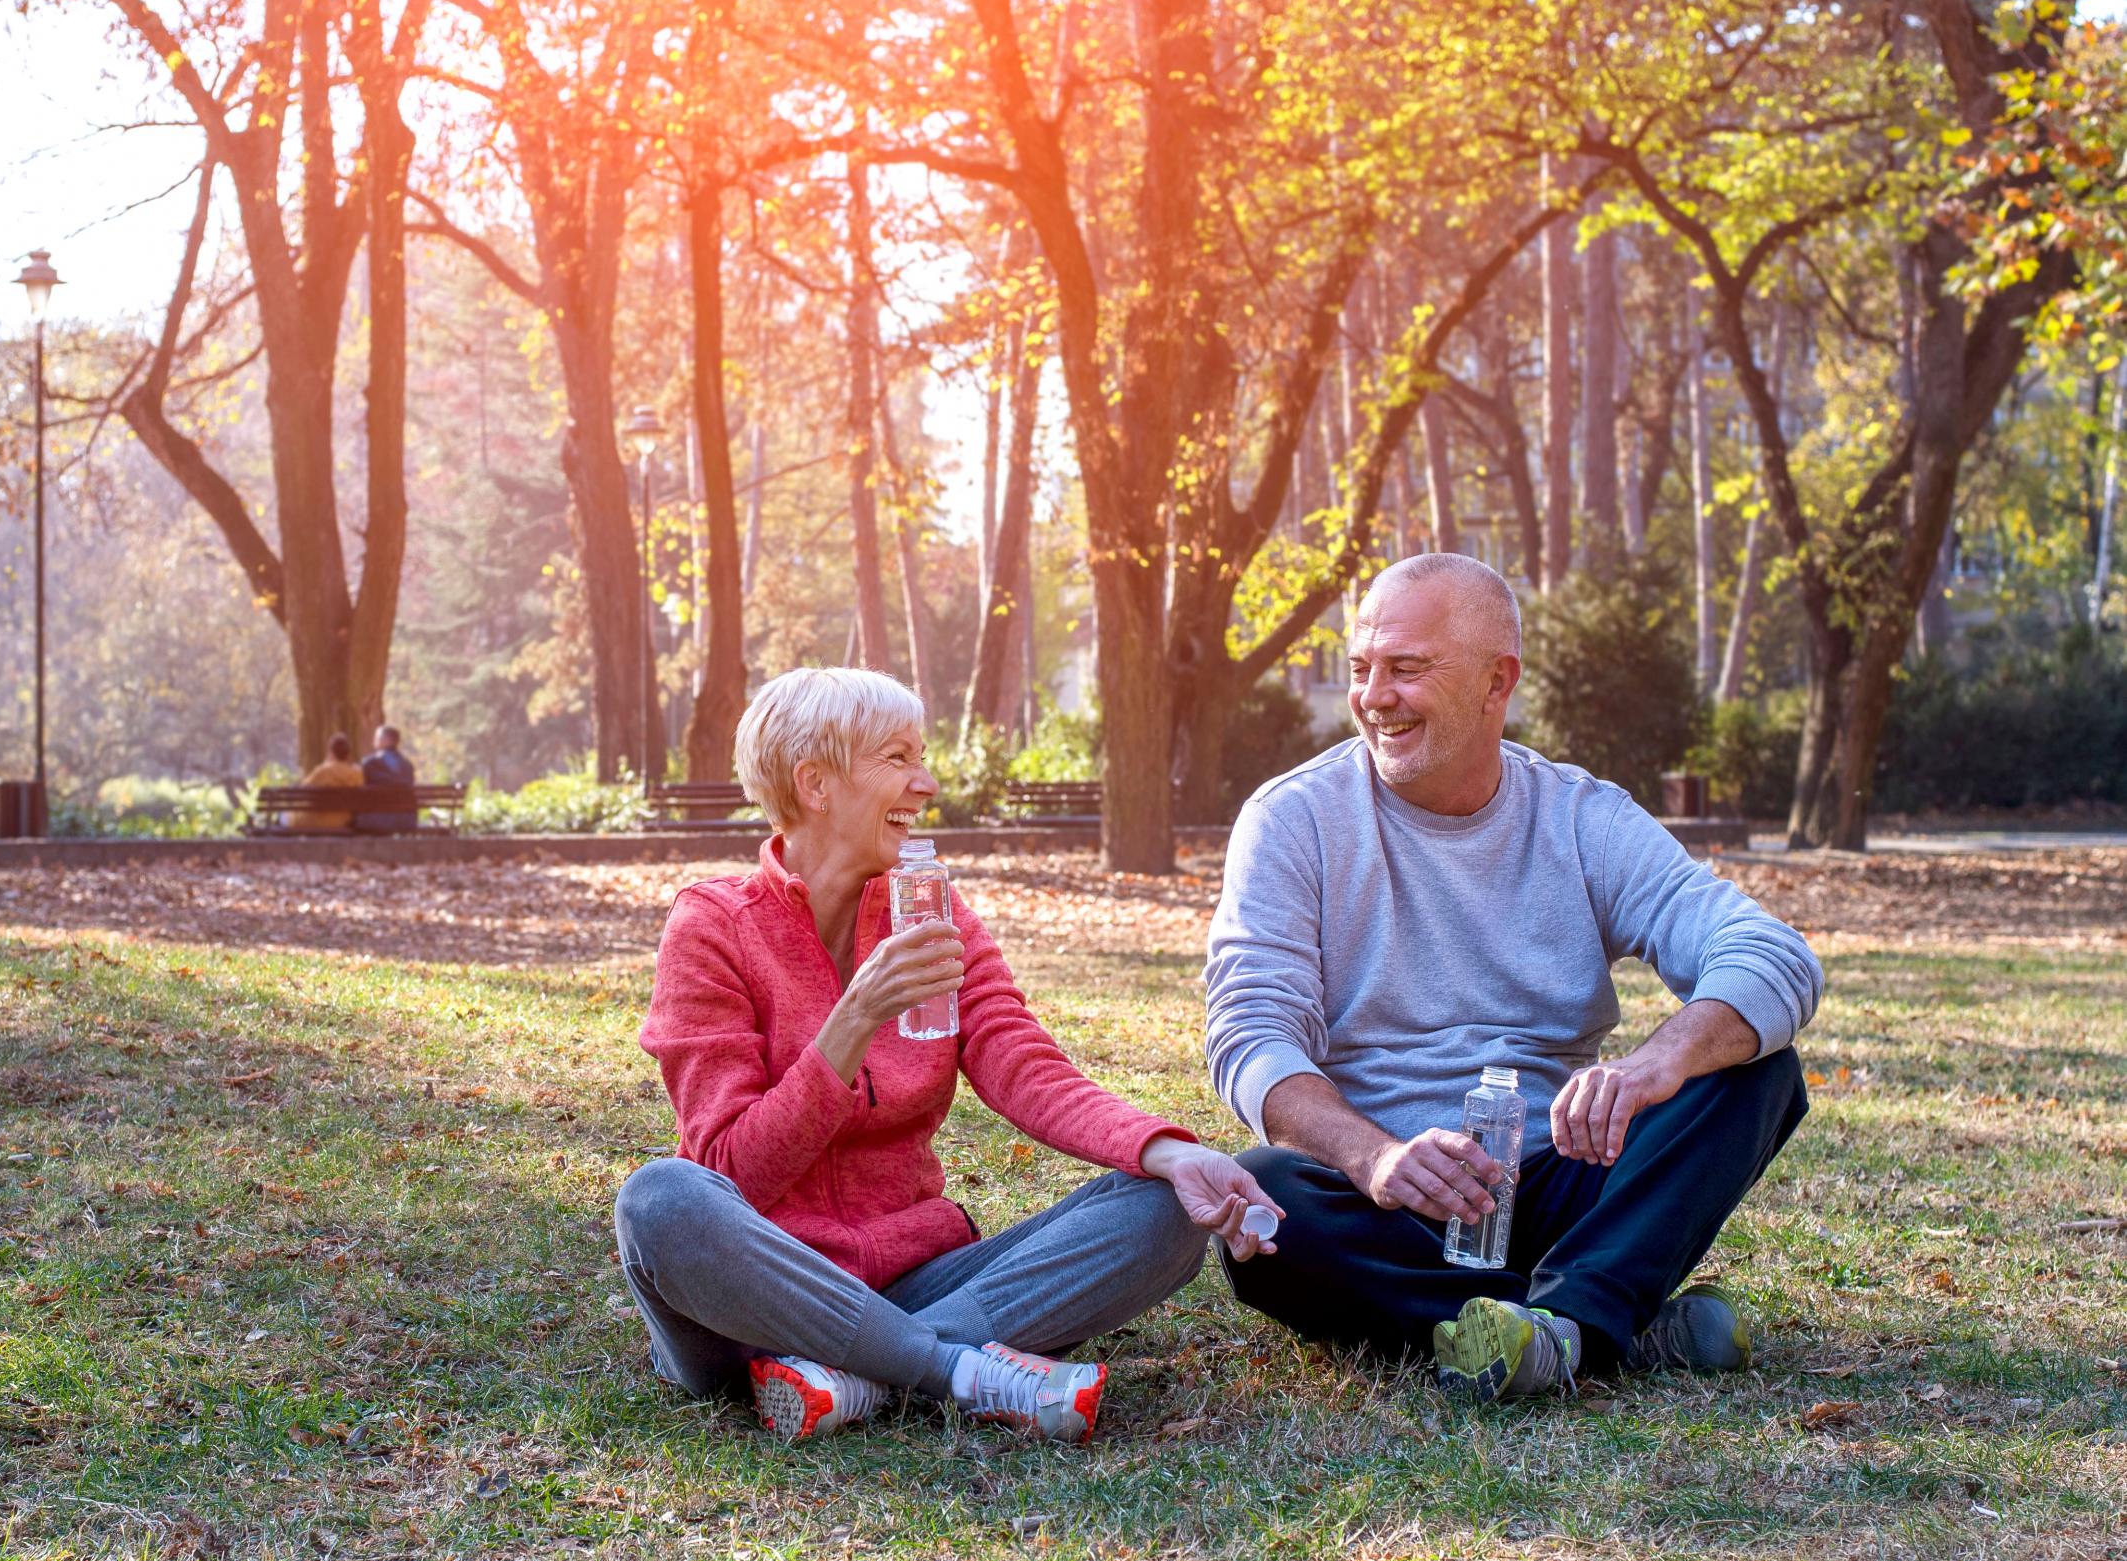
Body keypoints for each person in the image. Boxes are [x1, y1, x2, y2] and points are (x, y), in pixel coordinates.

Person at [1204, 553, 1823, 1402]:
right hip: (1391, 1211)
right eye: (1361, 669)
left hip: (1564, 1179)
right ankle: (1602, 1324)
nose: (1373, 696)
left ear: (1498, 683)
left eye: (1407, 668)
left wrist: (1654, 1066)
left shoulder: (1580, 815)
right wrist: (1375, 1156)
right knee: (1267, 1203)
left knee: (1755, 1066)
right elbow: (1250, 1035)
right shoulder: (1293, 819)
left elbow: (1770, 953)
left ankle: (1557, 1325)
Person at [618, 666, 1282, 1445]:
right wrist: (856, 1016)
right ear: (817, 783)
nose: (925, 782)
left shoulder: (929, 907)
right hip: (760, 1299)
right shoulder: (712, 927)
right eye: (898, 758)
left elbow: (1021, 1060)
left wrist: (1168, 1150)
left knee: (1168, 1200)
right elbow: (735, 1172)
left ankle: (857, 1377)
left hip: (915, 1281)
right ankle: (956, 1373)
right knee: (660, 1201)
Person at [285, 732, 366, 832]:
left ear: (331, 753)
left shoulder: (324, 772)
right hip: (340, 821)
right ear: (348, 754)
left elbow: (303, 791)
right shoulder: (357, 774)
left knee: (284, 816)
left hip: (312, 822)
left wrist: (325, 763)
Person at [353, 725, 419, 833]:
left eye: (377, 737)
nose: (373, 741)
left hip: (377, 819)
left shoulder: (370, 764)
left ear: (386, 740)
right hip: (406, 820)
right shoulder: (407, 765)